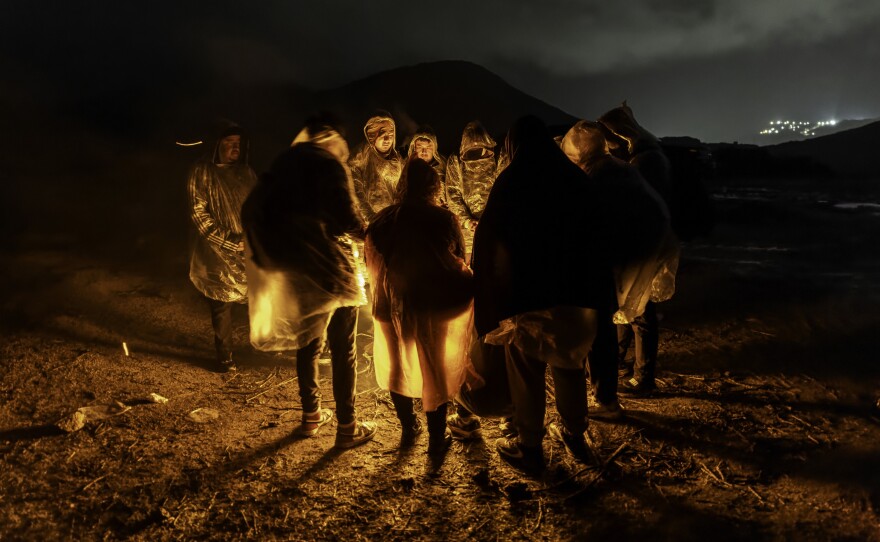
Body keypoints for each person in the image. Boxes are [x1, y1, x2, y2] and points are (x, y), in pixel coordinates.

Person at [471, 116, 616, 473]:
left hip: (529, 297)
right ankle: (575, 433)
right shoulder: (575, 180)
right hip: (577, 296)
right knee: (569, 365)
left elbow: (487, 241)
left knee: (527, 372)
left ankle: (530, 446)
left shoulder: (511, 182)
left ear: (513, 146)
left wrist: (489, 298)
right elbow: (600, 238)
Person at [241, 118, 376, 449]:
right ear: (330, 141)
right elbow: (348, 220)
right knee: (344, 349)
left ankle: (311, 417)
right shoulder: (327, 164)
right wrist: (373, 234)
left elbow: (250, 208)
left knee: (308, 344)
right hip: (332, 272)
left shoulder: (284, 164)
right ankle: (347, 428)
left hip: (296, 273)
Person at [561, 120, 679, 409]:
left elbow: (591, 225)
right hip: (648, 245)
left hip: (636, 250)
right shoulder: (616, 166)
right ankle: (622, 372)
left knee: (630, 313)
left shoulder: (596, 176)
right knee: (630, 308)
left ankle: (632, 383)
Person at [365, 158, 473, 456]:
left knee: (399, 364)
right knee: (434, 367)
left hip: (389, 307)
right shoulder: (443, 219)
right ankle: (437, 438)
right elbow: (460, 259)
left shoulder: (383, 219)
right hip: (432, 305)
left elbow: (371, 264)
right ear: (434, 185)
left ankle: (408, 425)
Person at [598, 103, 675, 397]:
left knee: (640, 310)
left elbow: (635, 204)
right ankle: (620, 364)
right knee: (627, 305)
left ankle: (644, 377)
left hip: (643, 245)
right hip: (645, 241)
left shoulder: (645, 161)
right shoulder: (647, 156)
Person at [187, 120, 258, 372]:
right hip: (216, 253)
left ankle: (258, 346)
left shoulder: (246, 173)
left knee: (257, 297)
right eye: (229, 143)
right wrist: (229, 241)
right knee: (221, 305)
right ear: (217, 145)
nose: (235, 148)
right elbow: (199, 214)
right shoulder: (202, 172)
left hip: (247, 249)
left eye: (238, 143)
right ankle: (225, 356)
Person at [445, 120, 508, 259]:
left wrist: (491, 219)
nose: (476, 155)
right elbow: (452, 193)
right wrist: (467, 221)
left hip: (495, 231)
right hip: (467, 236)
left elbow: (505, 190)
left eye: (479, 150)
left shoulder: (498, 157)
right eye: (472, 152)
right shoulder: (456, 161)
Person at [348, 112, 403, 223]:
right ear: (372, 135)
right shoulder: (360, 156)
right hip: (370, 220)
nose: (387, 139)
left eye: (391, 135)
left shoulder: (397, 159)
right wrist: (371, 217)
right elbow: (355, 190)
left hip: (394, 219)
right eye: (382, 134)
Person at [406, 126, 448, 207]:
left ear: (434, 148)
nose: (424, 151)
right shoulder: (405, 167)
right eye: (420, 146)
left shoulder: (444, 166)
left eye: (428, 147)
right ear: (414, 147)